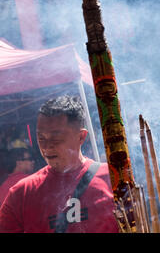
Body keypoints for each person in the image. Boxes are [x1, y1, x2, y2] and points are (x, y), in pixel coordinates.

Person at [0, 95, 118, 233]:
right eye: (41, 138)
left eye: (56, 138)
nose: (47, 147)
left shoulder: (113, 178)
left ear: (81, 136)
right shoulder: (22, 193)